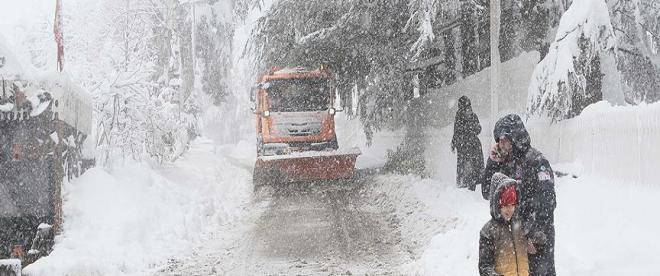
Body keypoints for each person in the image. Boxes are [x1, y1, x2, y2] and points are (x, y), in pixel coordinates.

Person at [482, 114, 556, 276]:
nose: (500, 144)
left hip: (536, 240)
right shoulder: (503, 163)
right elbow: (487, 191)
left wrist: (535, 235)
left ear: (515, 138)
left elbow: (548, 203)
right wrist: (492, 162)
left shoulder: (537, 162)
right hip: (512, 239)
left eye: (503, 139)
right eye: (498, 140)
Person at [479, 172, 529, 276]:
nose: (510, 209)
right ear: (497, 205)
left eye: (512, 204)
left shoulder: (519, 226)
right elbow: (484, 267)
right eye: (505, 205)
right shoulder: (489, 231)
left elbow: (530, 253)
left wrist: (537, 240)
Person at [451, 95, 484, 190]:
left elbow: (478, 130)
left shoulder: (473, 115)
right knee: (467, 166)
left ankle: (472, 184)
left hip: (472, 145)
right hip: (464, 146)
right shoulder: (459, 117)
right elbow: (456, 131)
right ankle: (466, 185)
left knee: (473, 166)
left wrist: (471, 127)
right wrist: (454, 142)